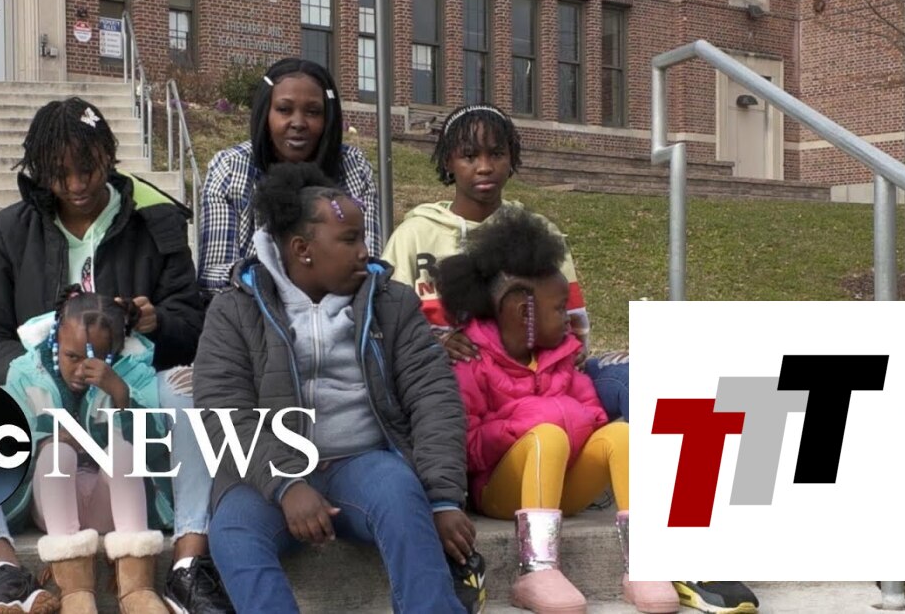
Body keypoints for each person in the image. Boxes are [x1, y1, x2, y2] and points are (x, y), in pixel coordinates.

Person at [0, 97, 232, 614]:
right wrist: (41, 377)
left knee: (188, 395)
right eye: (59, 174)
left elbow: (194, 326)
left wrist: (158, 323)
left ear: (109, 154)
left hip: (129, 397)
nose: (77, 184)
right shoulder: (10, 231)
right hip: (41, 400)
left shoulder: (156, 222)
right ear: (39, 170)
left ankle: (190, 561)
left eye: (89, 168)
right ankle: (0, 569)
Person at [194, 162, 474, 613]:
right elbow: (223, 413)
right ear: (302, 249)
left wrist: (443, 499)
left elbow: (434, 397)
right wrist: (287, 484)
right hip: (267, 478)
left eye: (363, 239)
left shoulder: (392, 302)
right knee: (232, 532)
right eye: (349, 240)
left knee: (402, 496)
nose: (364, 252)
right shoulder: (234, 309)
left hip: (364, 463)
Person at [435, 208, 676, 614]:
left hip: (564, 484)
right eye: (559, 308)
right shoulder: (472, 360)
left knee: (621, 435)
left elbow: (594, 414)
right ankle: (537, 569)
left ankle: (644, 562)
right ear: (523, 313)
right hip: (499, 492)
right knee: (546, 435)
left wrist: (566, 419)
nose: (568, 319)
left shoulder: (563, 356)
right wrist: (523, 427)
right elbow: (467, 447)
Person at [380, 103, 629, 423]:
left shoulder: (538, 233)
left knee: (648, 379)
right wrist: (436, 343)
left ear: (511, 158)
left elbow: (572, 320)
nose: (484, 167)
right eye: (469, 156)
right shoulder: (414, 235)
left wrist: (569, 354)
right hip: (453, 387)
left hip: (542, 381)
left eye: (497, 154)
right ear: (448, 161)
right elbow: (388, 324)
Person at [1, 287, 170, 613]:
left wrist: (122, 396)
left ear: (116, 350)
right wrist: (45, 441)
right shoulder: (24, 374)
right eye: (72, 357)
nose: (82, 370)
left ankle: (136, 588)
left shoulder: (134, 372)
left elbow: (155, 451)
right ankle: (75, 591)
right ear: (56, 339)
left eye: (98, 359)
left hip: (111, 505)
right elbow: (7, 447)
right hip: (52, 503)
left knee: (122, 452)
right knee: (57, 455)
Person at [198, 57, 381, 299]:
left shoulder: (353, 166)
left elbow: (368, 264)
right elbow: (211, 277)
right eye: (284, 109)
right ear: (265, 112)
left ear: (328, 118)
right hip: (253, 310)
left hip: (341, 311)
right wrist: (275, 281)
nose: (298, 123)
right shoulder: (231, 168)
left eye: (313, 112)